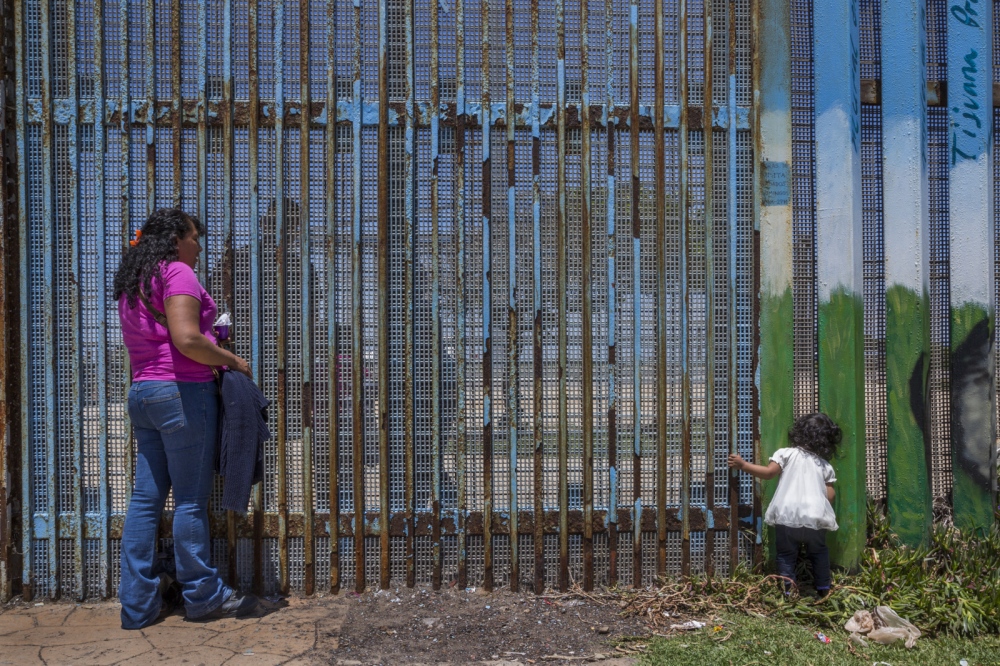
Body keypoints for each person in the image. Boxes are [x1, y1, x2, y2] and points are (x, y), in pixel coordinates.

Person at [114, 208, 258, 628]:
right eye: (195, 237)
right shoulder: (177, 271)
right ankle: (204, 595)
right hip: (182, 392)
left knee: (145, 500)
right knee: (191, 500)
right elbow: (188, 338)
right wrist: (233, 360)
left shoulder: (134, 279)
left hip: (143, 394)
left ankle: (137, 607)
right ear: (176, 239)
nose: (198, 246)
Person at [728, 412, 841, 596]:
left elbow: (769, 473)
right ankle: (823, 588)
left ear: (799, 432)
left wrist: (743, 465)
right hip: (815, 518)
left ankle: (788, 589)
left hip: (787, 515)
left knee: (786, 554)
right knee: (819, 551)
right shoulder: (824, 465)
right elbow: (830, 494)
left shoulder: (786, 454)